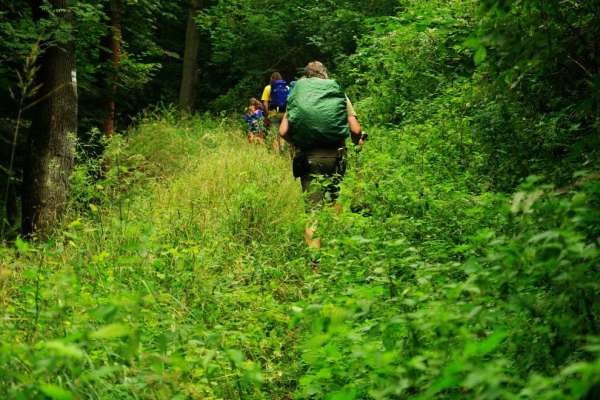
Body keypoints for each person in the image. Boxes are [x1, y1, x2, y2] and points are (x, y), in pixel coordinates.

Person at [279, 61, 366, 253]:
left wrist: (298, 141)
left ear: (306, 76)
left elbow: (283, 131)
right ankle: (337, 251)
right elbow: (356, 129)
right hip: (337, 157)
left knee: (312, 214)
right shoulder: (337, 93)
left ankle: (315, 267)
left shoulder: (297, 95)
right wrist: (357, 140)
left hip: (309, 159)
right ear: (324, 74)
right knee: (335, 201)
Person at [261, 71, 289, 152]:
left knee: (274, 133)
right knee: (282, 132)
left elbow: (265, 104)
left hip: (273, 112)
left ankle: (276, 152)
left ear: (271, 79)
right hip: (284, 113)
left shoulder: (268, 88)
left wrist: (267, 114)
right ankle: (282, 149)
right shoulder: (286, 87)